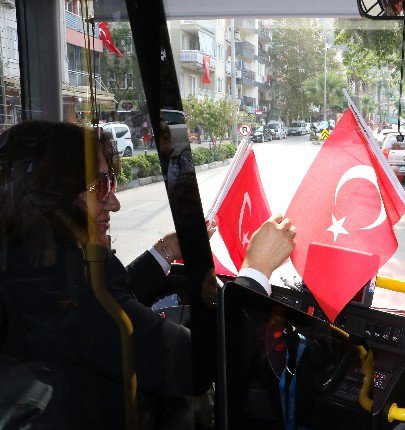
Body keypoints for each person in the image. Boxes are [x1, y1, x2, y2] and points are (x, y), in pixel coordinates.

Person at [0, 120, 295, 428]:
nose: (113, 203)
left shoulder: (25, 266)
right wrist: (255, 271)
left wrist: (164, 253)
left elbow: (105, 314)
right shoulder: (71, 288)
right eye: (100, 186)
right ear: (54, 192)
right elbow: (193, 368)